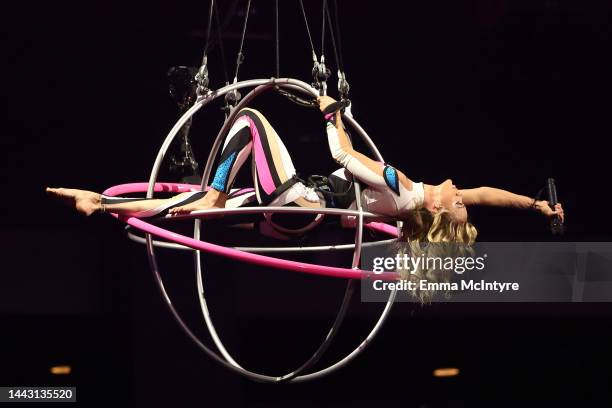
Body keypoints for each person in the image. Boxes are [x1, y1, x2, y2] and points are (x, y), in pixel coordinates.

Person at [47, 95, 564, 241]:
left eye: (458, 198)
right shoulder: (416, 202)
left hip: (298, 201)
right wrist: (536, 204)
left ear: (439, 207)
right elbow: (487, 194)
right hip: (295, 216)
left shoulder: (403, 188)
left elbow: (343, 156)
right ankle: (105, 201)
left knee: (247, 118)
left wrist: (330, 113)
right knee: (186, 206)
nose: (461, 189)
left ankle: (212, 196)